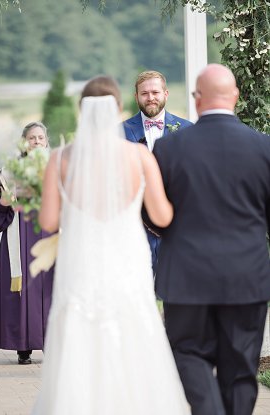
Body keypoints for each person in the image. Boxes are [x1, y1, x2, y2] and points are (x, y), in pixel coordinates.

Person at [32, 76, 189, 414]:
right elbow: (162, 217)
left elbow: (47, 222)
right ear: (119, 108)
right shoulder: (140, 157)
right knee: (133, 332)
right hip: (126, 260)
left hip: (81, 262)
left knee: (79, 337)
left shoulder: (59, 159)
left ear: (81, 111)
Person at [153, 64, 270, 415]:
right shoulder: (264, 148)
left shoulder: (168, 148)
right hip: (247, 277)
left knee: (188, 354)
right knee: (241, 368)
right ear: (235, 97)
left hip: (187, 278)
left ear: (197, 99)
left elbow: (152, 216)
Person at [0, 122, 55, 365]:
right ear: (24, 142)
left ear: (46, 141)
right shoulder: (11, 170)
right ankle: (23, 345)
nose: (37, 141)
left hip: (49, 230)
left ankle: (51, 340)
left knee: (49, 284)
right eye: (32, 138)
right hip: (22, 230)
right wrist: (11, 194)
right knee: (24, 285)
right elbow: (0, 205)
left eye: (40, 137)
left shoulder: (57, 165)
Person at [121, 70, 193, 270]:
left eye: (155, 92)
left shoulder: (188, 130)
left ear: (166, 94)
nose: (150, 98)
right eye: (144, 93)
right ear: (136, 97)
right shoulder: (119, 132)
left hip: (176, 228)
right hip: (133, 229)